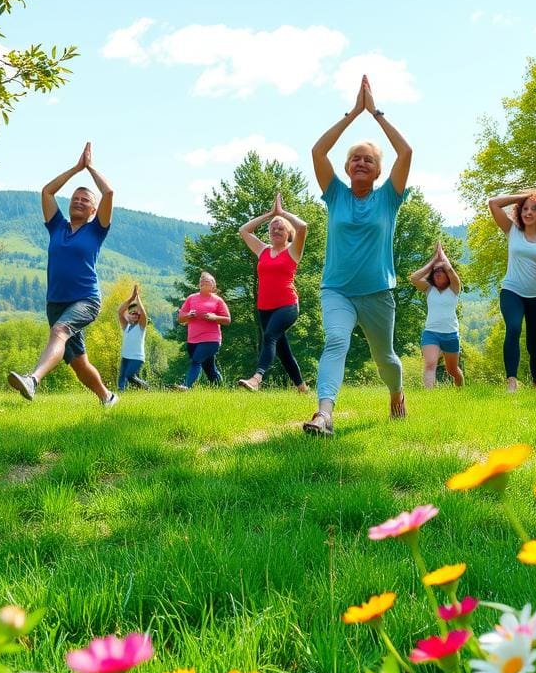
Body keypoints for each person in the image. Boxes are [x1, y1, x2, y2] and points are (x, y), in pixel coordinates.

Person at [302, 75, 412, 436]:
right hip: (337, 290)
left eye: (368, 160)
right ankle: (324, 414)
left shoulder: (388, 198)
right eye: (354, 159)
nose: (360, 163)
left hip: (378, 294)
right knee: (336, 341)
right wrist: (352, 113)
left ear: (378, 170)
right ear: (347, 168)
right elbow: (318, 152)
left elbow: (406, 152)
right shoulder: (335, 195)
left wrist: (375, 113)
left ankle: (396, 393)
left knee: (386, 359)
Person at [7, 142, 118, 406]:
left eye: (86, 200)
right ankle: (108, 397)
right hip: (55, 302)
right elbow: (47, 191)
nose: (79, 202)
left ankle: (32, 380)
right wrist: (75, 169)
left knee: (59, 331)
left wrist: (89, 168)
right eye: (75, 199)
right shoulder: (57, 227)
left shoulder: (96, 230)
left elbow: (109, 192)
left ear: (94, 210)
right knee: (79, 364)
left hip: (86, 300)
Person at [488, 190, 536, 392]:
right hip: (512, 290)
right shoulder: (512, 230)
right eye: (525, 209)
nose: (528, 213)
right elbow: (493, 203)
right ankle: (511, 381)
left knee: (534, 343)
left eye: (534, 209)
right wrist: (523, 196)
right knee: (513, 328)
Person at [237, 193, 309, 393]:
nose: (276, 231)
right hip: (264, 308)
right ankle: (302, 388)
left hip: (287, 305)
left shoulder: (293, 250)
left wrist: (282, 213)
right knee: (283, 351)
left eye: (281, 228)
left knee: (269, 337)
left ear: (288, 233)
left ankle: (256, 378)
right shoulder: (263, 250)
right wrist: (270, 215)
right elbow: (244, 230)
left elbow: (303, 227)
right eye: (273, 228)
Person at [409, 241, 464, 388]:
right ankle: (429, 397)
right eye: (436, 272)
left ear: (447, 275)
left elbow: (451, 272)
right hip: (431, 332)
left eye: (441, 271)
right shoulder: (428, 288)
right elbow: (413, 279)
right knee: (430, 363)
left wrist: (442, 257)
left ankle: (460, 392)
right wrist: (433, 261)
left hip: (451, 334)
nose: (438, 273)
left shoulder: (454, 288)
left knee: (452, 370)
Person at [174, 272, 231, 389]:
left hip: (211, 339)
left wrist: (214, 317)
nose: (204, 282)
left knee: (196, 361)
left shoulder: (218, 300)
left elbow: (227, 319)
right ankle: (222, 389)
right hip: (193, 340)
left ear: (213, 286)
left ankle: (186, 386)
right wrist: (188, 315)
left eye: (207, 281)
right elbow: (180, 318)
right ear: (198, 284)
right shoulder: (191, 298)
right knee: (210, 370)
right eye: (202, 281)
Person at [117, 284, 149, 391]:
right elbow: (120, 311)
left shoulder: (141, 326)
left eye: (137, 313)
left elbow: (144, 314)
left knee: (130, 376)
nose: (135, 315)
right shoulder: (126, 326)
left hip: (137, 357)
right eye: (132, 313)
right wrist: (131, 298)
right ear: (129, 314)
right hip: (125, 357)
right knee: (122, 379)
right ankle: (121, 396)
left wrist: (137, 297)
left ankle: (146, 387)